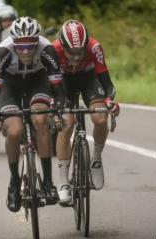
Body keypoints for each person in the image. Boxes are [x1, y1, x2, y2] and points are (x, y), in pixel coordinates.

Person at [0, 16, 66, 213]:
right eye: (20, 46)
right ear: (13, 42)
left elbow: (57, 88)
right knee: (14, 132)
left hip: (38, 84)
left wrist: (58, 110)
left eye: (30, 46)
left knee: (40, 120)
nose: (25, 51)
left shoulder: (47, 49)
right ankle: (14, 184)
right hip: (10, 87)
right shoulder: (3, 51)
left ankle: (48, 183)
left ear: (37, 42)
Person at [52, 19, 120, 203]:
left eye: (80, 52)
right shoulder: (53, 50)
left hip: (89, 80)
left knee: (100, 118)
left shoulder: (94, 47)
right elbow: (49, 85)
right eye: (71, 53)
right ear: (63, 45)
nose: (76, 57)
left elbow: (107, 83)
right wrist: (53, 108)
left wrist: (109, 101)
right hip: (63, 83)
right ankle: (64, 182)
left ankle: (96, 159)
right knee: (65, 126)